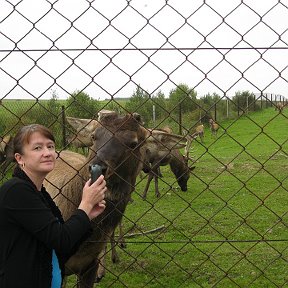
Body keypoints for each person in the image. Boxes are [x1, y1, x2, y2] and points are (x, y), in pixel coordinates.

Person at [0, 124, 107, 288]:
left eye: (50, 146)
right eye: (37, 148)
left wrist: (88, 215)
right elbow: (61, 240)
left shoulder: (39, 192)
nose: (47, 153)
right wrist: (85, 205)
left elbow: (62, 246)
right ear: (19, 158)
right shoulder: (16, 191)